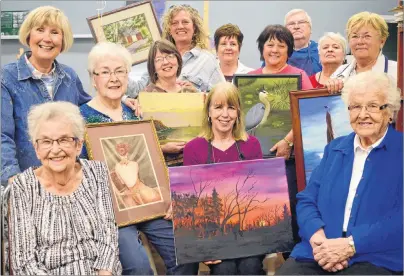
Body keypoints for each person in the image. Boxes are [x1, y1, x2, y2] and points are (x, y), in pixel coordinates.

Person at [80, 41, 194, 275]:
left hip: (149, 203)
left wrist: (166, 196)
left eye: (120, 71)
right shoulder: (80, 117)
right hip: (111, 215)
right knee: (140, 268)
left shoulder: (136, 112)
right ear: (93, 78)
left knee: (185, 255)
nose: (114, 78)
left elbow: (152, 160)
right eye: (105, 72)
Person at [276, 71, 403, 275]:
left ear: (389, 112)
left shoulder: (400, 151)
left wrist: (350, 246)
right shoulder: (334, 149)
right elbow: (307, 200)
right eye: (355, 107)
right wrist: (320, 242)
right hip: (318, 251)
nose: (363, 114)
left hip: (375, 256)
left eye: (372, 106)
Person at [0, 6, 137, 186]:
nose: (47, 38)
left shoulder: (69, 76)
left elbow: (91, 103)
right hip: (28, 181)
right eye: (40, 30)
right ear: (28, 36)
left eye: (55, 32)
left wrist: (123, 99)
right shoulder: (7, 78)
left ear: (63, 40)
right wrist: (13, 179)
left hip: (68, 181)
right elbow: (2, 135)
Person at [9, 101, 121, 275]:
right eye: (46, 141)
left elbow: (108, 236)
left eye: (64, 140)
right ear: (36, 149)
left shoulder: (97, 172)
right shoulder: (22, 187)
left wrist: (105, 272)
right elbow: (24, 263)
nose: (55, 149)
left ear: (78, 145)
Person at [183, 82, 265, 275]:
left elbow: (261, 194)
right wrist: (204, 246)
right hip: (212, 233)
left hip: (249, 230)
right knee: (224, 268)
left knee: (250, 267)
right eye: (218, 107)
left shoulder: (251, 145)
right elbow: (190, 204)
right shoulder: (193, 148)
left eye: (231, 107)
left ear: (238, 112)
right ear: (209, 112)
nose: (225, 114)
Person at [124, 4, 225, 99]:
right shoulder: (159, 58)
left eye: (185, 22)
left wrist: (197, 94)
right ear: (169, 29)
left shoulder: (207, 60)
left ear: (194, 27)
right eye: (174, 23)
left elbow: (224, 95)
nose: (180, 26)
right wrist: (119, 69)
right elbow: (137, 91)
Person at [250, 24, 313, 159]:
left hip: (292, 156)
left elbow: (309, 114)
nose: (275, 50)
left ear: (289, 51)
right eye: (270, 45)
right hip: (255, 155)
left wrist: (288, 141)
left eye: (281, 46)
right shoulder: (249, 78)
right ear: (262, 48)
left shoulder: (300, 76)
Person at [328, 11, 398, 93]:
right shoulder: (339, 73)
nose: (360, 41)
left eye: (367, 36)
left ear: (382, 41)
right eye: (355, 36)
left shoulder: (397, 72)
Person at [113, 142, 162, 207]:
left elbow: (127, 181)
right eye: (120, 149)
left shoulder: (134, 164)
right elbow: (122, 182)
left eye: (122, 149)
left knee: (151, 198)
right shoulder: (117, 167)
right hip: (132, 193)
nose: (121, 151)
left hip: (140, 190)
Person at [284, 9, 322, 76]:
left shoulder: (322, 50)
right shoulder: (277, 52)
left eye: (301, 22)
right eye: (291, 24)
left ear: (310, 28)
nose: (296, 27)